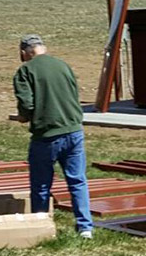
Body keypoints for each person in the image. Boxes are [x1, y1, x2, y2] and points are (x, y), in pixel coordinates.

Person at [13, 34, 93, 238]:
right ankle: (85, 227)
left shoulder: (25, 71)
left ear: (25, 52)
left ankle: (41, 226)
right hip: (74, 130)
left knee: (41, 183)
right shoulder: (63, 65)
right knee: (77, 180)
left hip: (47, 134)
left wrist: (24, 116)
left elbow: (27, 104)